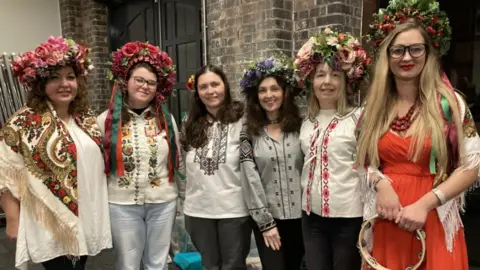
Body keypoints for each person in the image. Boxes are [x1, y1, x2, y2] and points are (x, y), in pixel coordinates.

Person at [356, 0, 480, 269]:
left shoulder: (450, 104)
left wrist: (424, 205)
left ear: (428, 53)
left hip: (432, 215)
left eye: (415, 49)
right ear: (387, 57)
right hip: (388, 216)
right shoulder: (374, 108)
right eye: (398, 50)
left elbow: (472, 166)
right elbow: (364, 161)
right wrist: (381, 184)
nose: (407, 57)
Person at [0, 36, 111, 270]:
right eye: (54, 77)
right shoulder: (23, 122)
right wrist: (12, 218)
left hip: (87, 215)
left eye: (70, 77)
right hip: (48, 221)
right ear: (40, 83)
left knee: (79, 265)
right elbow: (5, 172)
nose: (65, 83)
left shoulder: (86, 119)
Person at [97, 41, 184, 270]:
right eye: (140, 80)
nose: (145, 86)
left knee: (157, 261)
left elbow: (178, 160)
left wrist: (182, 198)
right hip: (121, 203)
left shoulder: (166, 119)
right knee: (128, 263)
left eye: (151, 83)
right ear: (126, 81)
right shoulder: (104, 120)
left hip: (162, 201)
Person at [294, 28, 370, 270]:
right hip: (311, 216)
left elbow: (370, 169)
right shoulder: (306, 122)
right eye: (320, 75)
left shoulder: (360, 119)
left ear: (347, 80)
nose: (327, 82)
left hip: (348, 218)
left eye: (335, 74)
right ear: (310, 81)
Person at [181, 64, 251, 270]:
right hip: (198, 211)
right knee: (210, 266)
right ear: (197, 93)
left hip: (234, 210)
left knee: (233, 266)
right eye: (203, 87)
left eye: (215, 84)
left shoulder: (243, 119)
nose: (210, 91)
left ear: (225, 86)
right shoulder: (190, 123)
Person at [239, 55, 304, 270]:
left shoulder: (302, 127)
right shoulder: (249, 133)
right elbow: (250, 178)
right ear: (255, 96)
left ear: (285, 92)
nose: (269, 95)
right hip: (269, 221)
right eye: (262, 90)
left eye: (274, 89)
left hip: (302, 221)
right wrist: (266, 224)